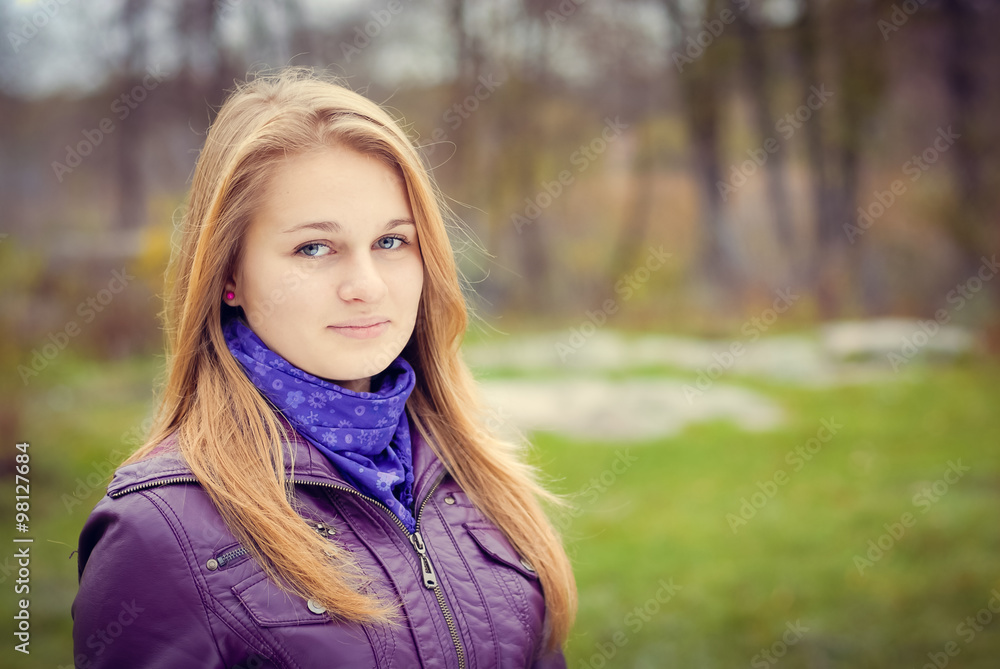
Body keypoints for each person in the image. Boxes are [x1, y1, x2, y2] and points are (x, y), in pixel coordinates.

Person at [71, 68, 576, 668]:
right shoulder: (157, 535)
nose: (365, 286)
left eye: (391, 242)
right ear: (228, 275)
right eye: (315, 248)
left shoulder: (474, 475)